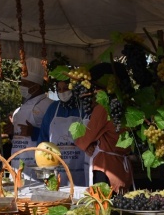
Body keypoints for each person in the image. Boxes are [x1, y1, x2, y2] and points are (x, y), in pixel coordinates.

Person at [73, 62, 133, 191]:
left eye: (94, 87)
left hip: (106, 171)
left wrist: (86, 143)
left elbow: (85, 138)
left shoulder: (103, 108)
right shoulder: (126, 104)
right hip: (122, 170)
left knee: (103, 203)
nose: (93, 93)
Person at [10, 57, 53, 179]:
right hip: (17, 163)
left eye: (25, 84)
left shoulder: (49, 105)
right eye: (21, 83)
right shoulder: (19, 109)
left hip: (36, 164)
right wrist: (11, 132)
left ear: (36, 86)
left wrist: (34, 132)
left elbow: (56, 135)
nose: (21, 87)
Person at [38, 79, 86, 186]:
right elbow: (43, 137)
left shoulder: (83, 107)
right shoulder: (53, 108)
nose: (63, 92)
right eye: (59, 89)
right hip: (56, 166)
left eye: (65, 88)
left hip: (79, 166)